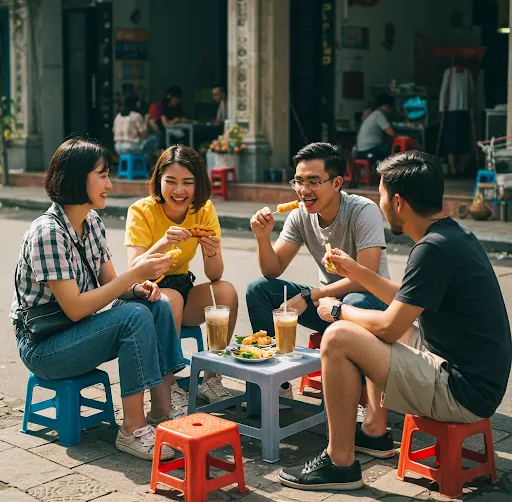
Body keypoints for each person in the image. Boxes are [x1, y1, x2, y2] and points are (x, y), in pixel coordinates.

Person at [278, 150, 511, 492]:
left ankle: (339, 462)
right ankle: (373, 432)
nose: (380, 203)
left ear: (398, 202)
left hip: (463, 392)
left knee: (340, 336)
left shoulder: (432, 250)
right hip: (471, 376)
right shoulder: (449, 237)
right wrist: (355, 270)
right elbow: (404, 296)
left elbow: (390, 327)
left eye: (382, 195)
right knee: (368, 324)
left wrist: (338, 310)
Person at [11, 138, 186, 461]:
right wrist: (134, 275)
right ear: (78, 179)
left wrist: (138, 288)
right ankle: (132, 429)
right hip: (44, 348)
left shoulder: (91, 222)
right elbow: (76, 308)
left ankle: (162, 410)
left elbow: (111, 284)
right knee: (132, 317)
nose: (109, 183)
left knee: (155, 306)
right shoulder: (48, 233)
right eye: (102, 175)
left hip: (76, 333)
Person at [247, 142, 389, 404]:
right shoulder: (300, 215)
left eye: (313, 182)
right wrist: (262, 238)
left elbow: (366, 276)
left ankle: (354, 405)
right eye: (298, 182)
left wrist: (311, 295)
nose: (304, 191)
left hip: (370, 305)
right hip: (325, 306)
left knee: (352, 302)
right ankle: (272, 389)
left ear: (336, 183)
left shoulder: (363, 210)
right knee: (258, 289)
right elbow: (272, 269)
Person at [125, 144, 238, 404]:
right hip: (150, 292)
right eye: (171, 181)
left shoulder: (204, 210)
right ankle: (169, 388)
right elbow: (133, 271)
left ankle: (211, 377)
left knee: (226, 292)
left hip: (183, 288)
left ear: (199, 185)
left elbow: (214, 274)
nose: (179, 191)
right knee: (171, 299)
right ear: (158, 181)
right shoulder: (141, 211)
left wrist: (211, 251)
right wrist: (162, 243)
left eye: (188, 182)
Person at [438, 58, 474, 176]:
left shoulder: (465, 73)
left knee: (460, 141)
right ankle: (455, 168)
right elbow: (445, 91)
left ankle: (460, 169)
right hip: (454, 111)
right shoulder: (453, 73)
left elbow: (471, 92)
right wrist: (442, 110)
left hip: (459, 111)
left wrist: (472, 109)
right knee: (455, 141)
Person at [355, 94, 396, 161]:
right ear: (386, 106)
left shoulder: (374, 114)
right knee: (394, 148)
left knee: (387, 146)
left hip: (362, 150)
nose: (390, 111)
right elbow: (391, 133)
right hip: (367, 151)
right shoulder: (378, 114)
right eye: (390, 108)